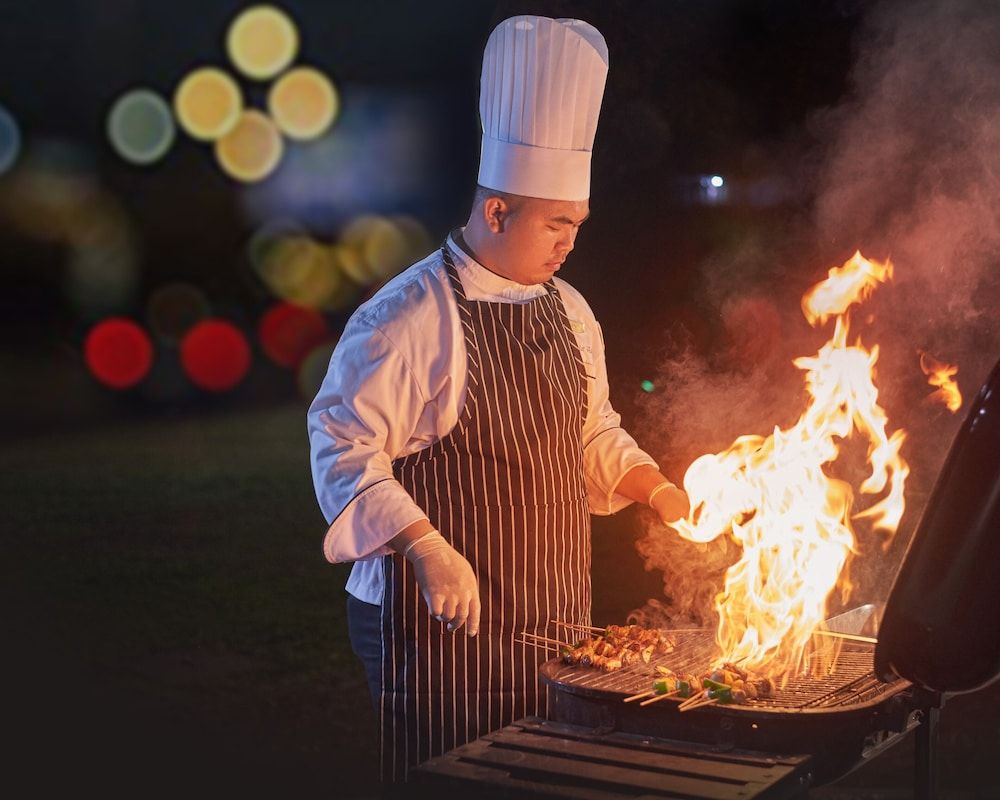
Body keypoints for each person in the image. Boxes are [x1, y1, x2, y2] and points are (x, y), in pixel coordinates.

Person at [308, 15, 689, 785]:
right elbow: (343, 446)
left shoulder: (570, 310)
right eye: (557, 224)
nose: (570, 242)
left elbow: (591, 432)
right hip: (434, 626)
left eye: (577, 225)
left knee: (548, 776)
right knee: (456, 778)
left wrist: (659, 490)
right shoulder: (408, 315)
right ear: (496, 212)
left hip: (550, 615)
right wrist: (426, 548)